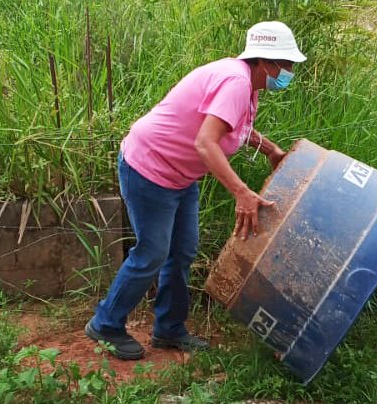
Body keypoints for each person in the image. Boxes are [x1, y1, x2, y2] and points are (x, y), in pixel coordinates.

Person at [84, 21, 306, 359]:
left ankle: (169, 329)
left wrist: (271, 149)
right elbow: (206, 143)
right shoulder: (235, 82)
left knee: (182, 251)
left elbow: (237, 128)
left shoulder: (249, 85)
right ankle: (106, 324)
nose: (289, 72)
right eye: (286, 65)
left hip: (180, 176)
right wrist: (241, 192)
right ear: (265, 61)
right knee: (152, 253)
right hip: (149, 167)